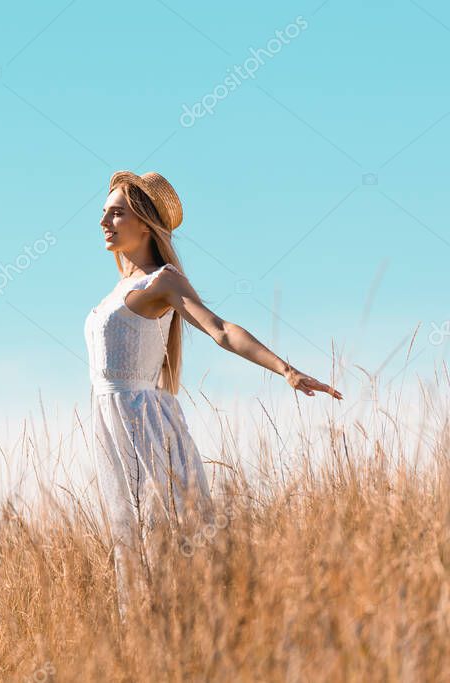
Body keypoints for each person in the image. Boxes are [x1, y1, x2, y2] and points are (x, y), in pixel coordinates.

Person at [84, 170, 342, 619]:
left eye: (117, 212)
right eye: (104, 212)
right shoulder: (117, 290)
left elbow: (220, 329)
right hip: (110, 423)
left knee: (158, 536)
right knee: (129, 539)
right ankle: (149, 639)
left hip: (142, 420)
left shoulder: (161, 281)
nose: (105, 221)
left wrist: (286, 370)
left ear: (145, 223)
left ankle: (192, 629)